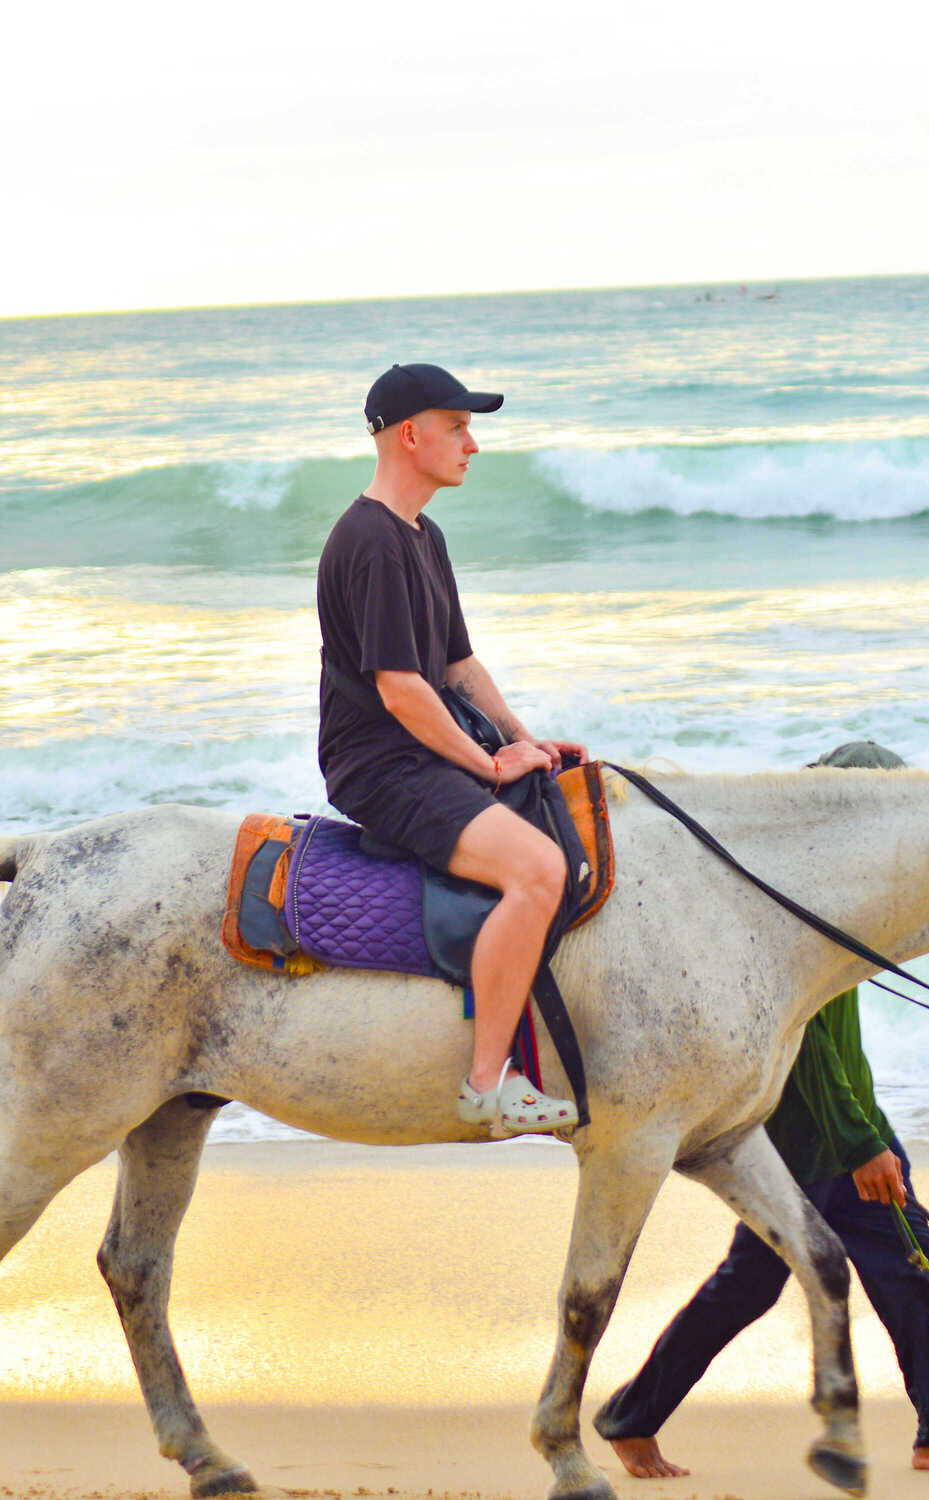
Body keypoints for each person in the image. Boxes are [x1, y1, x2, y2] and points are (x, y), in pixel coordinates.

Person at [593, 742, 929, 1475]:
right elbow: (811, 1044)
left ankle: (633, 1414)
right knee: (893, 1268)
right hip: (812, 1140)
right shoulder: (812, 894)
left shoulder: (824, 884)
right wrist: (862, 1143)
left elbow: (835, 1045)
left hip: (822, 1129)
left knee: (782, 1282)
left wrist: (872, 1128)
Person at [316, 362, 586, 1138]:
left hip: (426, 749)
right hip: (383, 766)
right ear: (410, 435)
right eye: (458, 426)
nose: (472, 443)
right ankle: (487, 1081)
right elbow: (401, 690)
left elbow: (456, 667)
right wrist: (488, 764)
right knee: (537, 869)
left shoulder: (420, 535)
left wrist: (523, 740)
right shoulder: (368, 540)